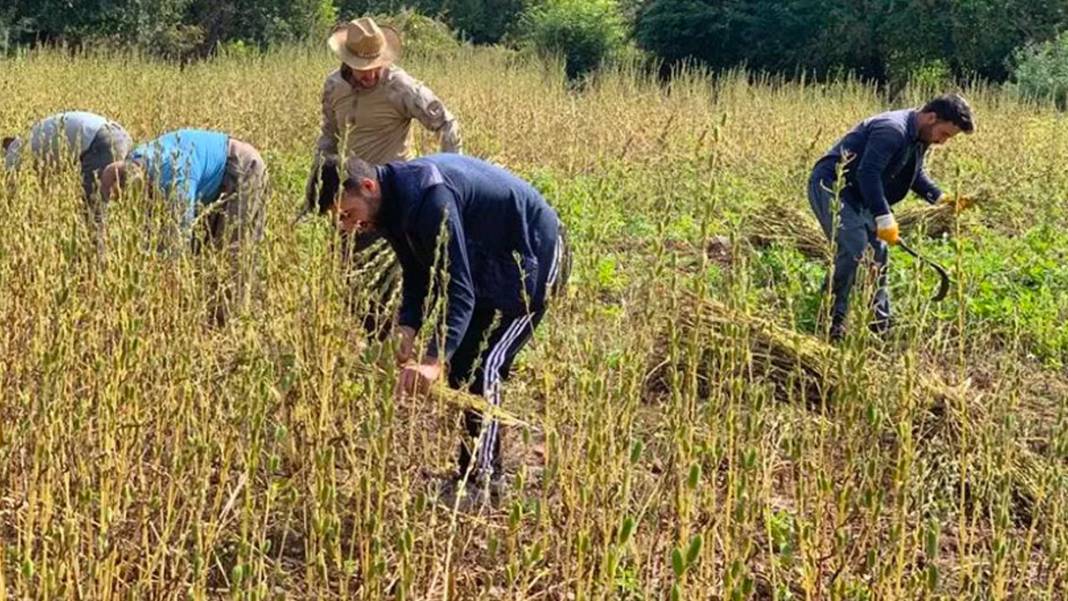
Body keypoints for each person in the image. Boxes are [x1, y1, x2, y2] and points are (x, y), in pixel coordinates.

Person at [316, 153, 569, 508]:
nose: (346, 226)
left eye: (347, 214)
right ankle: (473, 472)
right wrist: (407, 327)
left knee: (485, 364)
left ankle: (485, 484)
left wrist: (434, 361)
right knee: (464, 364)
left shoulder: (430, 198)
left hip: (535, 256)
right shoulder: (388, 206)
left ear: (368, 186)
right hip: (490, 259)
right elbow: (418, 271)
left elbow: (459, 286)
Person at [305, 16, 463, 336]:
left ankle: (394, 338)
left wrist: (451, 174)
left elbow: (447, 124)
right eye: (361, 68)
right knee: (347, 275)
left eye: (374, 65)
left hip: (388, 198)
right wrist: (320, 181)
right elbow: (328, 135)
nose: (369, 74)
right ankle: (370, 337)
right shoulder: (333, 87)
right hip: (349, 198)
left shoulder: (401, 87)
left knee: (390, 282)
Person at [808, 93, 975, 339]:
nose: (943, 141)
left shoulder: (919, 137)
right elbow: (868, 173)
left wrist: (940, 198)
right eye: (945, 134)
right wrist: (884, 216)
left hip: (861, 193)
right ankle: (833, 320)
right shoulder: (892, 130)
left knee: (879, 254)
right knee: (855, 247)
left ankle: (879, 324)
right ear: (931, 118)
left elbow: (914, 175)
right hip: (833, 186)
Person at [100, 129, 268, 320]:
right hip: (206, 174)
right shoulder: (135, 162)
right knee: (202, 254)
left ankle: (231, 325)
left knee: (233, 254)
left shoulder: (174, 177)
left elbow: (177, 245)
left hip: (242, 167)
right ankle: (204, 314)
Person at [3, 111, 133, 236]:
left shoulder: (16, 150)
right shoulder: (36, 136)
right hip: (120, 135)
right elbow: (49, 182)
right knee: (124, 202)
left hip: (100, 141)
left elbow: (10, 192)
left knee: (92, 210)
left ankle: (94, 255)